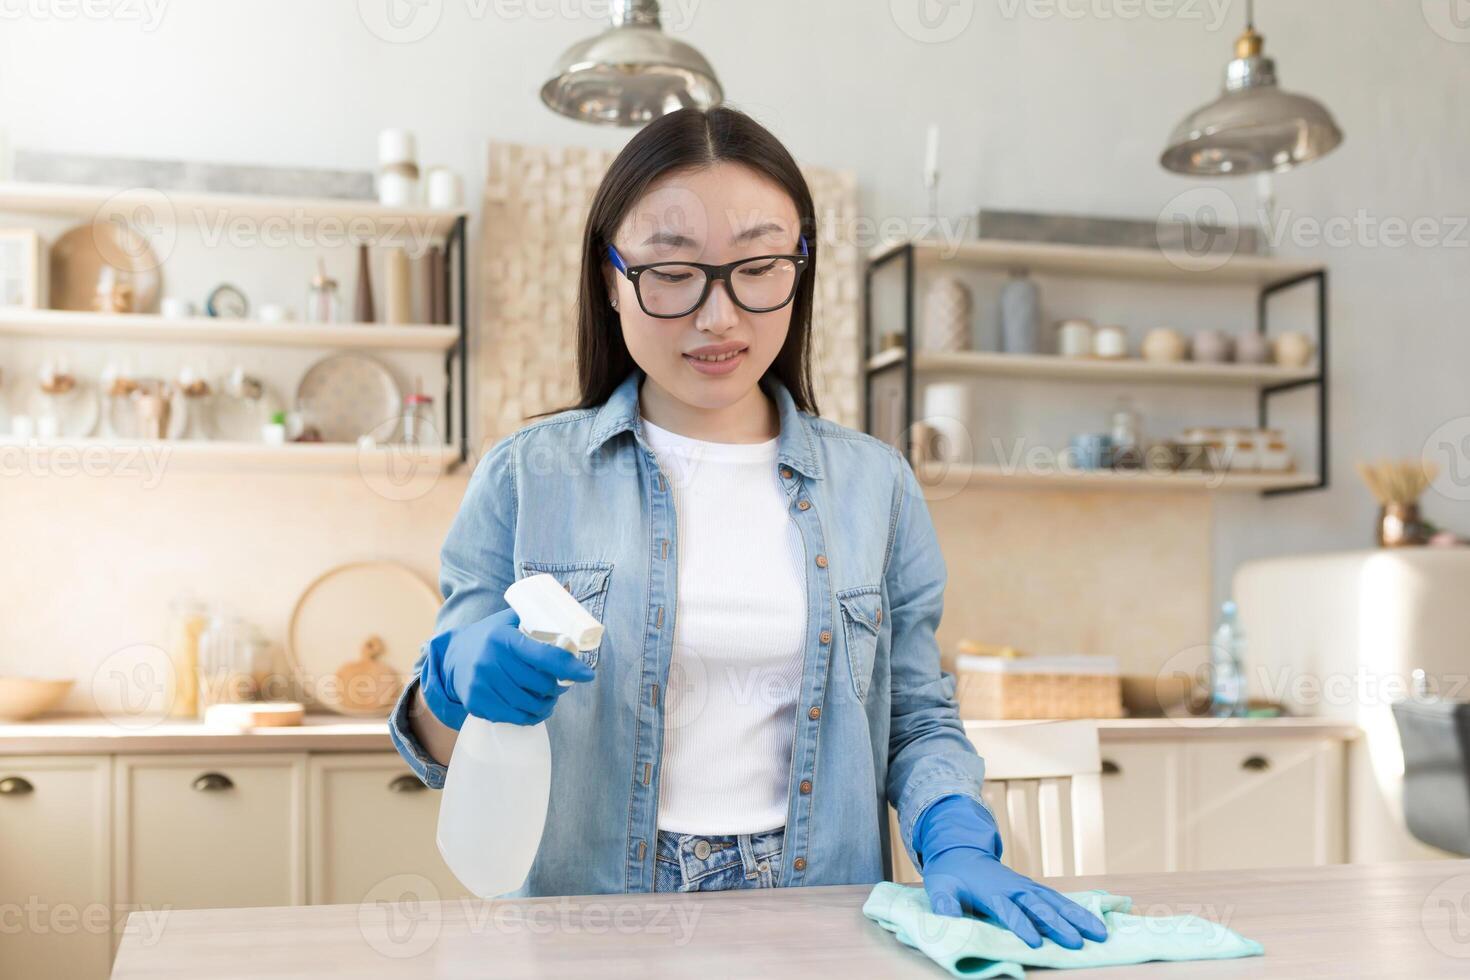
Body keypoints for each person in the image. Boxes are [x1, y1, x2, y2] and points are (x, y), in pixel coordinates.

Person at [389, 104, 1106, 950]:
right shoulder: (527, 474)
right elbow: (430, 750)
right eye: (671, 271)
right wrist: (448, 682)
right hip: (587, 920)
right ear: (612, 279)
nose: (719, 316)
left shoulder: (875, 485)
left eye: (758, 266)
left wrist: (953, 834)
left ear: (798, 267)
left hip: (818, 913)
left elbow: (915, 715)